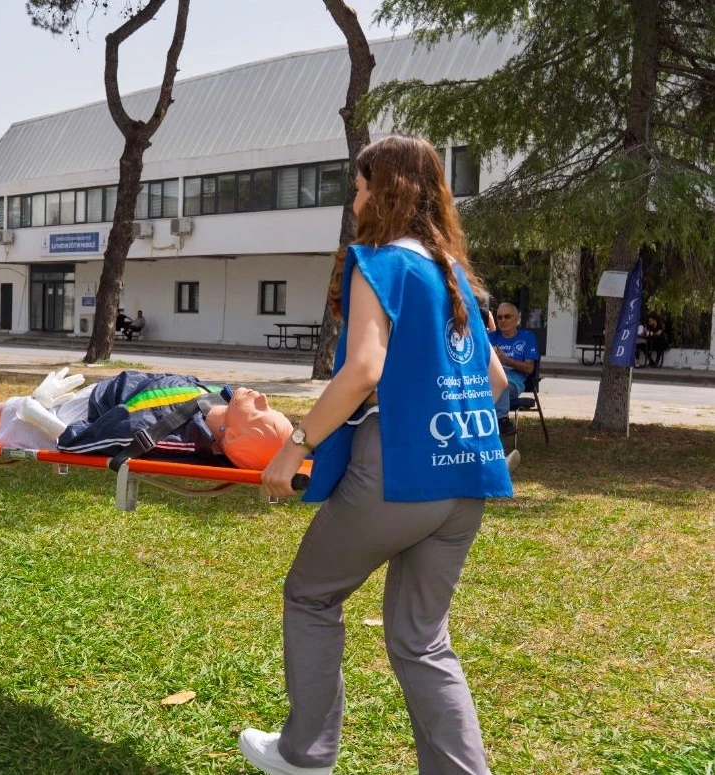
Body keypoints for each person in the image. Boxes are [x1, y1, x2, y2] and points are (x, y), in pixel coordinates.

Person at [244, 134, 512, 775]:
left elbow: (364, 368)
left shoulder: (379, 263)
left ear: (385, 190)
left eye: (360, 185)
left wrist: (296, 444)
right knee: (422, 641)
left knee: (311, 597)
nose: (356, 197)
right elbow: (497, 383)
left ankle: (305, 755)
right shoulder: (451, 275)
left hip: (395, 474)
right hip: (468, 473)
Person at [0, 368, 294, 471]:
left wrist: (40, 409)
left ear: (232, 434)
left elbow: (78, 443)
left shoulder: (162, 431)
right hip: (89, 399)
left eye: (261, 414)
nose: (261, 399)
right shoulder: (217, 399)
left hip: (65, 420)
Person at [488, 301, 538, 437]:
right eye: (499, 317)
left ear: (517, 319)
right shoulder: (491, 338)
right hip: (489, 380)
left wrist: (505, 360)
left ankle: (502, 421)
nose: (503, 320)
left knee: (501, 383)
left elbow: (529, 368)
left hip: (513, 382)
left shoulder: (527, 337)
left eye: (507, 316)